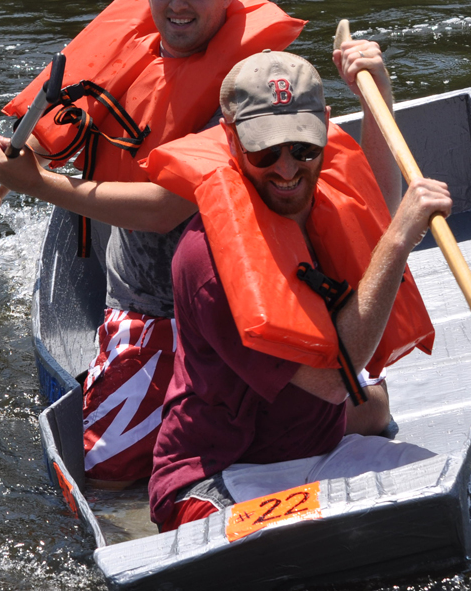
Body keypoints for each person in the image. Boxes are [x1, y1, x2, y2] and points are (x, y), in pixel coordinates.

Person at [0, 0, 305, 487]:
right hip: (142, 299)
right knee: (108, 472)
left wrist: (37, 186)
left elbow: (166, 205)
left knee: (105, 471)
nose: (176, 1)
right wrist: (1, 185)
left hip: (204, 312)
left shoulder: (247, 89)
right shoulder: (141, 52)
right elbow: (81, 138)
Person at [145, 50, 453, 531]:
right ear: (230, 137)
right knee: (284, 552)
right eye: (264, 151)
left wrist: (379, 98)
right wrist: (398, 240)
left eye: (303, 149)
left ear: (324, 129)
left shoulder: (317, 191)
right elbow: (333, 382)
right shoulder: (211, 260)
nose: (287, 170)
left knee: (448, 494)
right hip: (223, 473)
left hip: (321, 449)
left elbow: (367, 215)